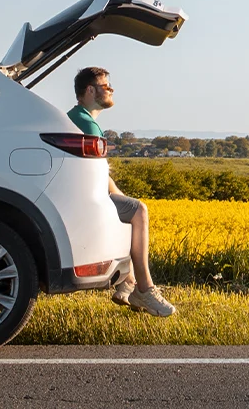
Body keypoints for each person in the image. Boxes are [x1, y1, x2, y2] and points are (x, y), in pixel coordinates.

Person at [68, 66, 176, 317]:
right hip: (87, 199)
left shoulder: (76, 117)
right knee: (139, 211)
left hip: (78, 195)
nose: (111, 89)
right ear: (90, 90)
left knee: (130, 207)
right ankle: (144, 289)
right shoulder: (88, 125)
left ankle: (127, 282)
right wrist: (123, 199)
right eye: (106, 86)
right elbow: (99, 176)